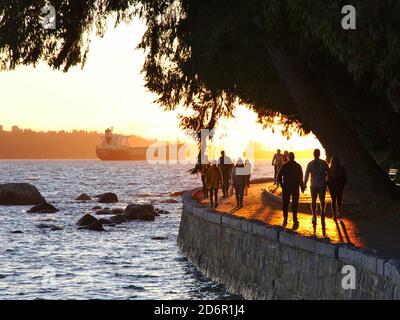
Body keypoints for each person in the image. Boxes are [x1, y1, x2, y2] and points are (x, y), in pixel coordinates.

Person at [277, 152, 304, 230]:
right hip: (290, 187)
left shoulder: (286, 166)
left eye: (291, 157)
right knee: (289, 203)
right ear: (290, 157)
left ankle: (290, 219)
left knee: (289, 203)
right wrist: (282, 184)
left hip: (290, 187)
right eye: (290, 157)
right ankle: (289, 219)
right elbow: (279, 176)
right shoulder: (294, 166)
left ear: (291, 157)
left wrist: (282, 184)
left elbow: (300, 177)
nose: (291, 158)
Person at [304, 149, 330, 226]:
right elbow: (329, 173)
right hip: (322, 185)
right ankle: (322, 213)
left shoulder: (310, 164)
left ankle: (314, 216)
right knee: (322, 200)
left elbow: (306, 175)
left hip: (313, 185)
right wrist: (327, 182)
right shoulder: (324, 163)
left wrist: (304, 184)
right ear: (319, 154)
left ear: (313, 154)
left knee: (313, 201)